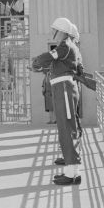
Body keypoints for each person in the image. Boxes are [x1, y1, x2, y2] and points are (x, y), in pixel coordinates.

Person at [31, 17, 83, 186]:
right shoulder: (67, 47)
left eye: (55, 30)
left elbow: (49, 56)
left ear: (62, 31)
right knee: (66, 129)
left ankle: (72, 174)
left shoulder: (65, 45)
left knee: (67, 130)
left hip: (64, 90)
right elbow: (55, 65)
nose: (54, 33)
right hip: (63, 90)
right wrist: (41, 65)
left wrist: (37, 61)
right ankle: (72, 171)